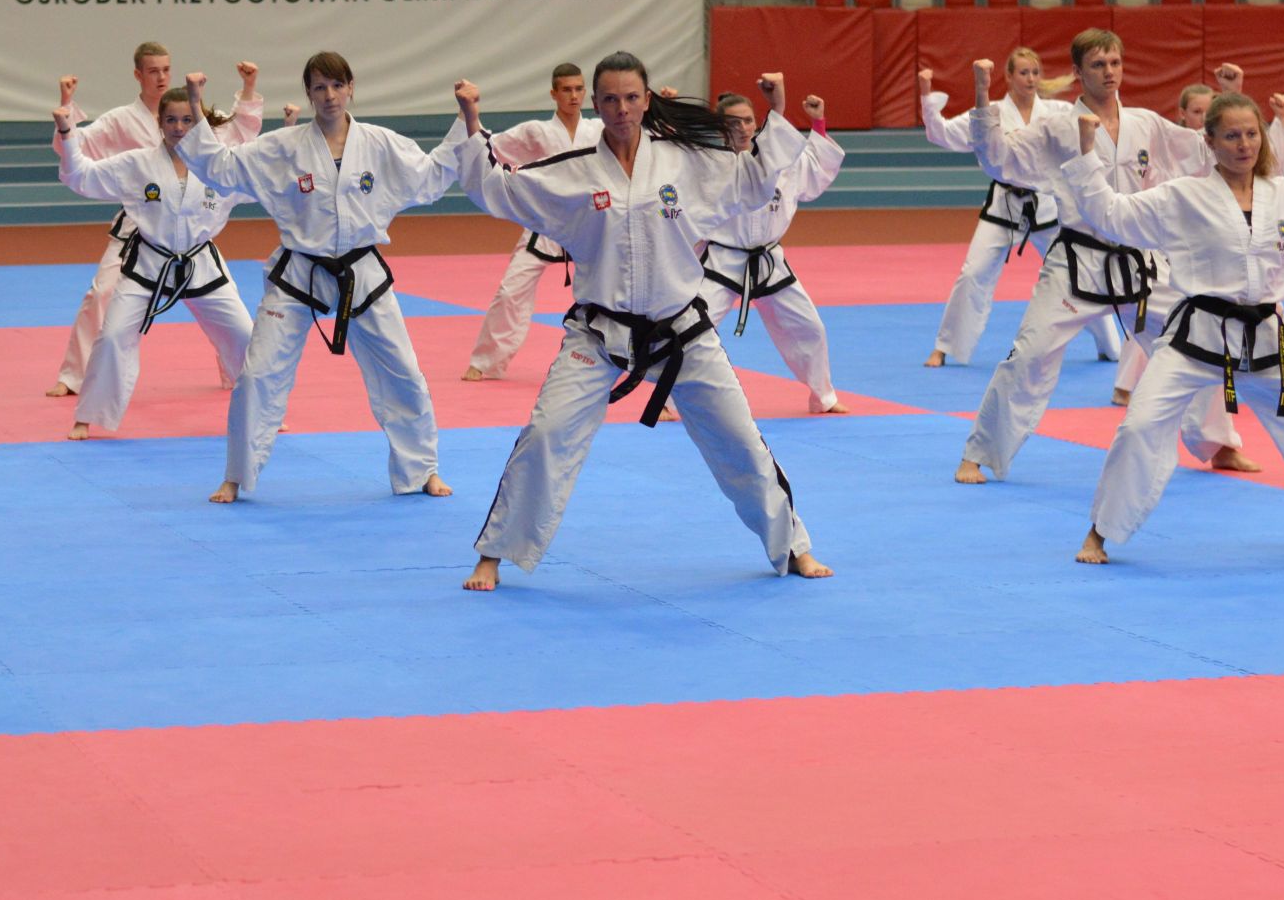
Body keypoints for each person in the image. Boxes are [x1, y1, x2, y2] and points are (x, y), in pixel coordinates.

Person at [454, 54, 831, 591]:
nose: (622, 109)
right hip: (598, 333)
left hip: (680, 331)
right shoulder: (573, 171)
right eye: (610, 99)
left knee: (741, 441)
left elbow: (750, 180)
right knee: (545, 435)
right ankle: (495, 552)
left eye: (632, 98)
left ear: (647, 100)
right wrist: (471, 121)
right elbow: (498, 189)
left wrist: (778, 112)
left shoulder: (685, 161)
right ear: (596, 104)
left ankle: (792, 546)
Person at [1063, 95, 1284, 563]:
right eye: (1232, 136)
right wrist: (1086, 151)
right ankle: (1101, 531)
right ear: (1209, 141)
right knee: (1139, 426)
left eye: (1252, 134)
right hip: (1197, 338)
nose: (1244, 145)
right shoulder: (1183, 196)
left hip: (1264, 340)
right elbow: (1111, 215)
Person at [954, 32, 1263, 484]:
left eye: (1115, 63)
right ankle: (979, 454)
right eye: (1098, 65)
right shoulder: (1057, 127)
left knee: (1197, 342)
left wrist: (1230, 95)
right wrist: (982, 94)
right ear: (1078, 72)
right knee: (1029, 356)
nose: (1109, 72)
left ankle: (1219, 445)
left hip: (1141, 262)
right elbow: (999, 159)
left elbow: (1203, 150)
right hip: (1077, 262)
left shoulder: (1146, 124)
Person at [175, 53, 464, 504]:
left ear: (351, 87)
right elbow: (222, 168)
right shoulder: (284, 146)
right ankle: (236, 474)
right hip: (300, 273)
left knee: (404, 372)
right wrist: (195, 103)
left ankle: (421, 469)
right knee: (257, 374)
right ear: (309, 94)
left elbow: (429, 178)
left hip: (361, 272)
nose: (329, 96)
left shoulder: (381, 143)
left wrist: (466, 119)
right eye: (319, 88)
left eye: (336, 85)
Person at [46, 46, 261, 397]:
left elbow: (239, 134)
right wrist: (66, 108)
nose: (161, 77)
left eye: (165, 69)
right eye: (152, 71)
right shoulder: (120, 120)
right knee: (101, 295)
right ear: (138, 75)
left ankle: (236, 375)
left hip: (189, 230)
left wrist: (248, 89)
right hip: (138, 228)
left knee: (226, 305)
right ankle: (75, 376)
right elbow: (73, 149)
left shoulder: (193, 114)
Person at [919, 51, 1126, 368]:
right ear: (1009, 77)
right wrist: (926, 97)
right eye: (1024, 73)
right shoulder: (992, 113)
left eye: (1035, 73)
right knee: (973, 273)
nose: (1031, 79)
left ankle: (1110, 346)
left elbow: (1094, 119)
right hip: (1004, 206)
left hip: (1048, 206)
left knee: (1081, 271)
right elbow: (943, 133)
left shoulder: (1056, 112)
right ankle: (945, 347)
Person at [1109, 85, 1284, 407]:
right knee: (1153, 317)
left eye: (1208, 111)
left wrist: (1242, 97)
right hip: (1175, 247)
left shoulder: (1229, 152)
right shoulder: (1171, 148)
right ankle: (1126, 385)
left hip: (1225, 249)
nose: (1202, 116)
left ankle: (1257, 381)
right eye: (1197, 112)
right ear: (1182, 114)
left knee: (1265, 309)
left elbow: (1267, 171)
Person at [697, 92, 847, 414]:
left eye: (748, 120)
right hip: (723, 260)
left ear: (758, 123)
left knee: (810, 328)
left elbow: (815, 171)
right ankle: (668, 399)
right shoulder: (709, 164)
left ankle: (823, 397)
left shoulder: (782, 160)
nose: (742, 128)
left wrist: (818, 123)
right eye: (733, 123)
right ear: (720, 128)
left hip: (767, 261)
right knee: (691, 327)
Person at [461, 63, 605, 381]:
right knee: (510, 291)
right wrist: (470, 114)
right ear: (554, 93)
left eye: (578, 89)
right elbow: (490, 146)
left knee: (611, 294)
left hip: (590, 225)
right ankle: (486, 361)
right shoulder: (535, 132)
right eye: (566, 89)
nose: (573, 96)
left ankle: (623, 359)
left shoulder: (598, 129)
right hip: (545, 223)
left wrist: (662, 106)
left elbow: (641, 132)